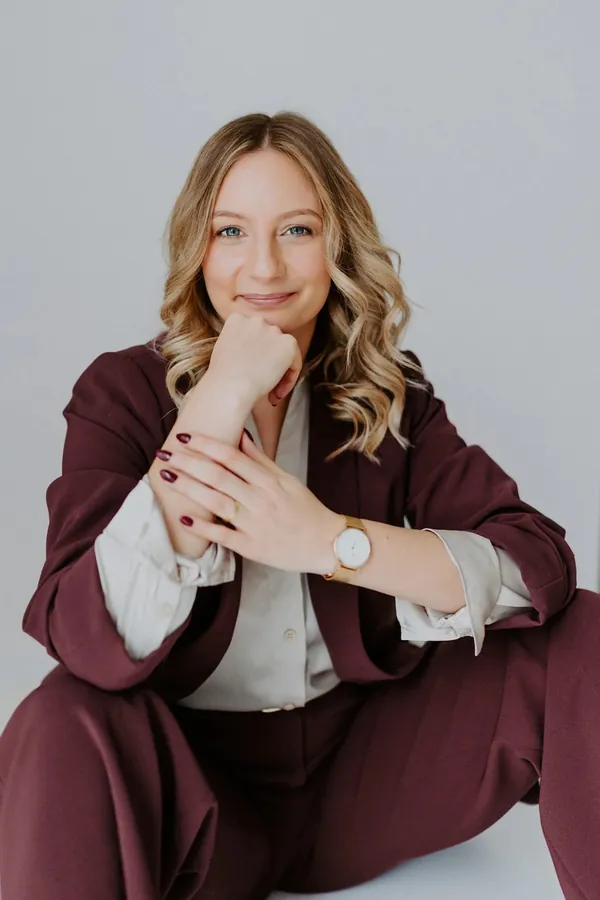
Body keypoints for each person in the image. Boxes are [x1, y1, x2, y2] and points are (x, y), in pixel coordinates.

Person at [0, 111, 596, 900]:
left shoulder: (387, 394)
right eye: (231, 232)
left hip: (370, 779)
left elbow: (536, 565)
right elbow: (90, 640)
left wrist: (332, 543)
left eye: (298, 230)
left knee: (586, 629)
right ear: (197, 249)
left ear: (336, 246)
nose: (265, 265)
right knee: (57, 717)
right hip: (192, 795)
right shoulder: (123, 394)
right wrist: (220, 396)